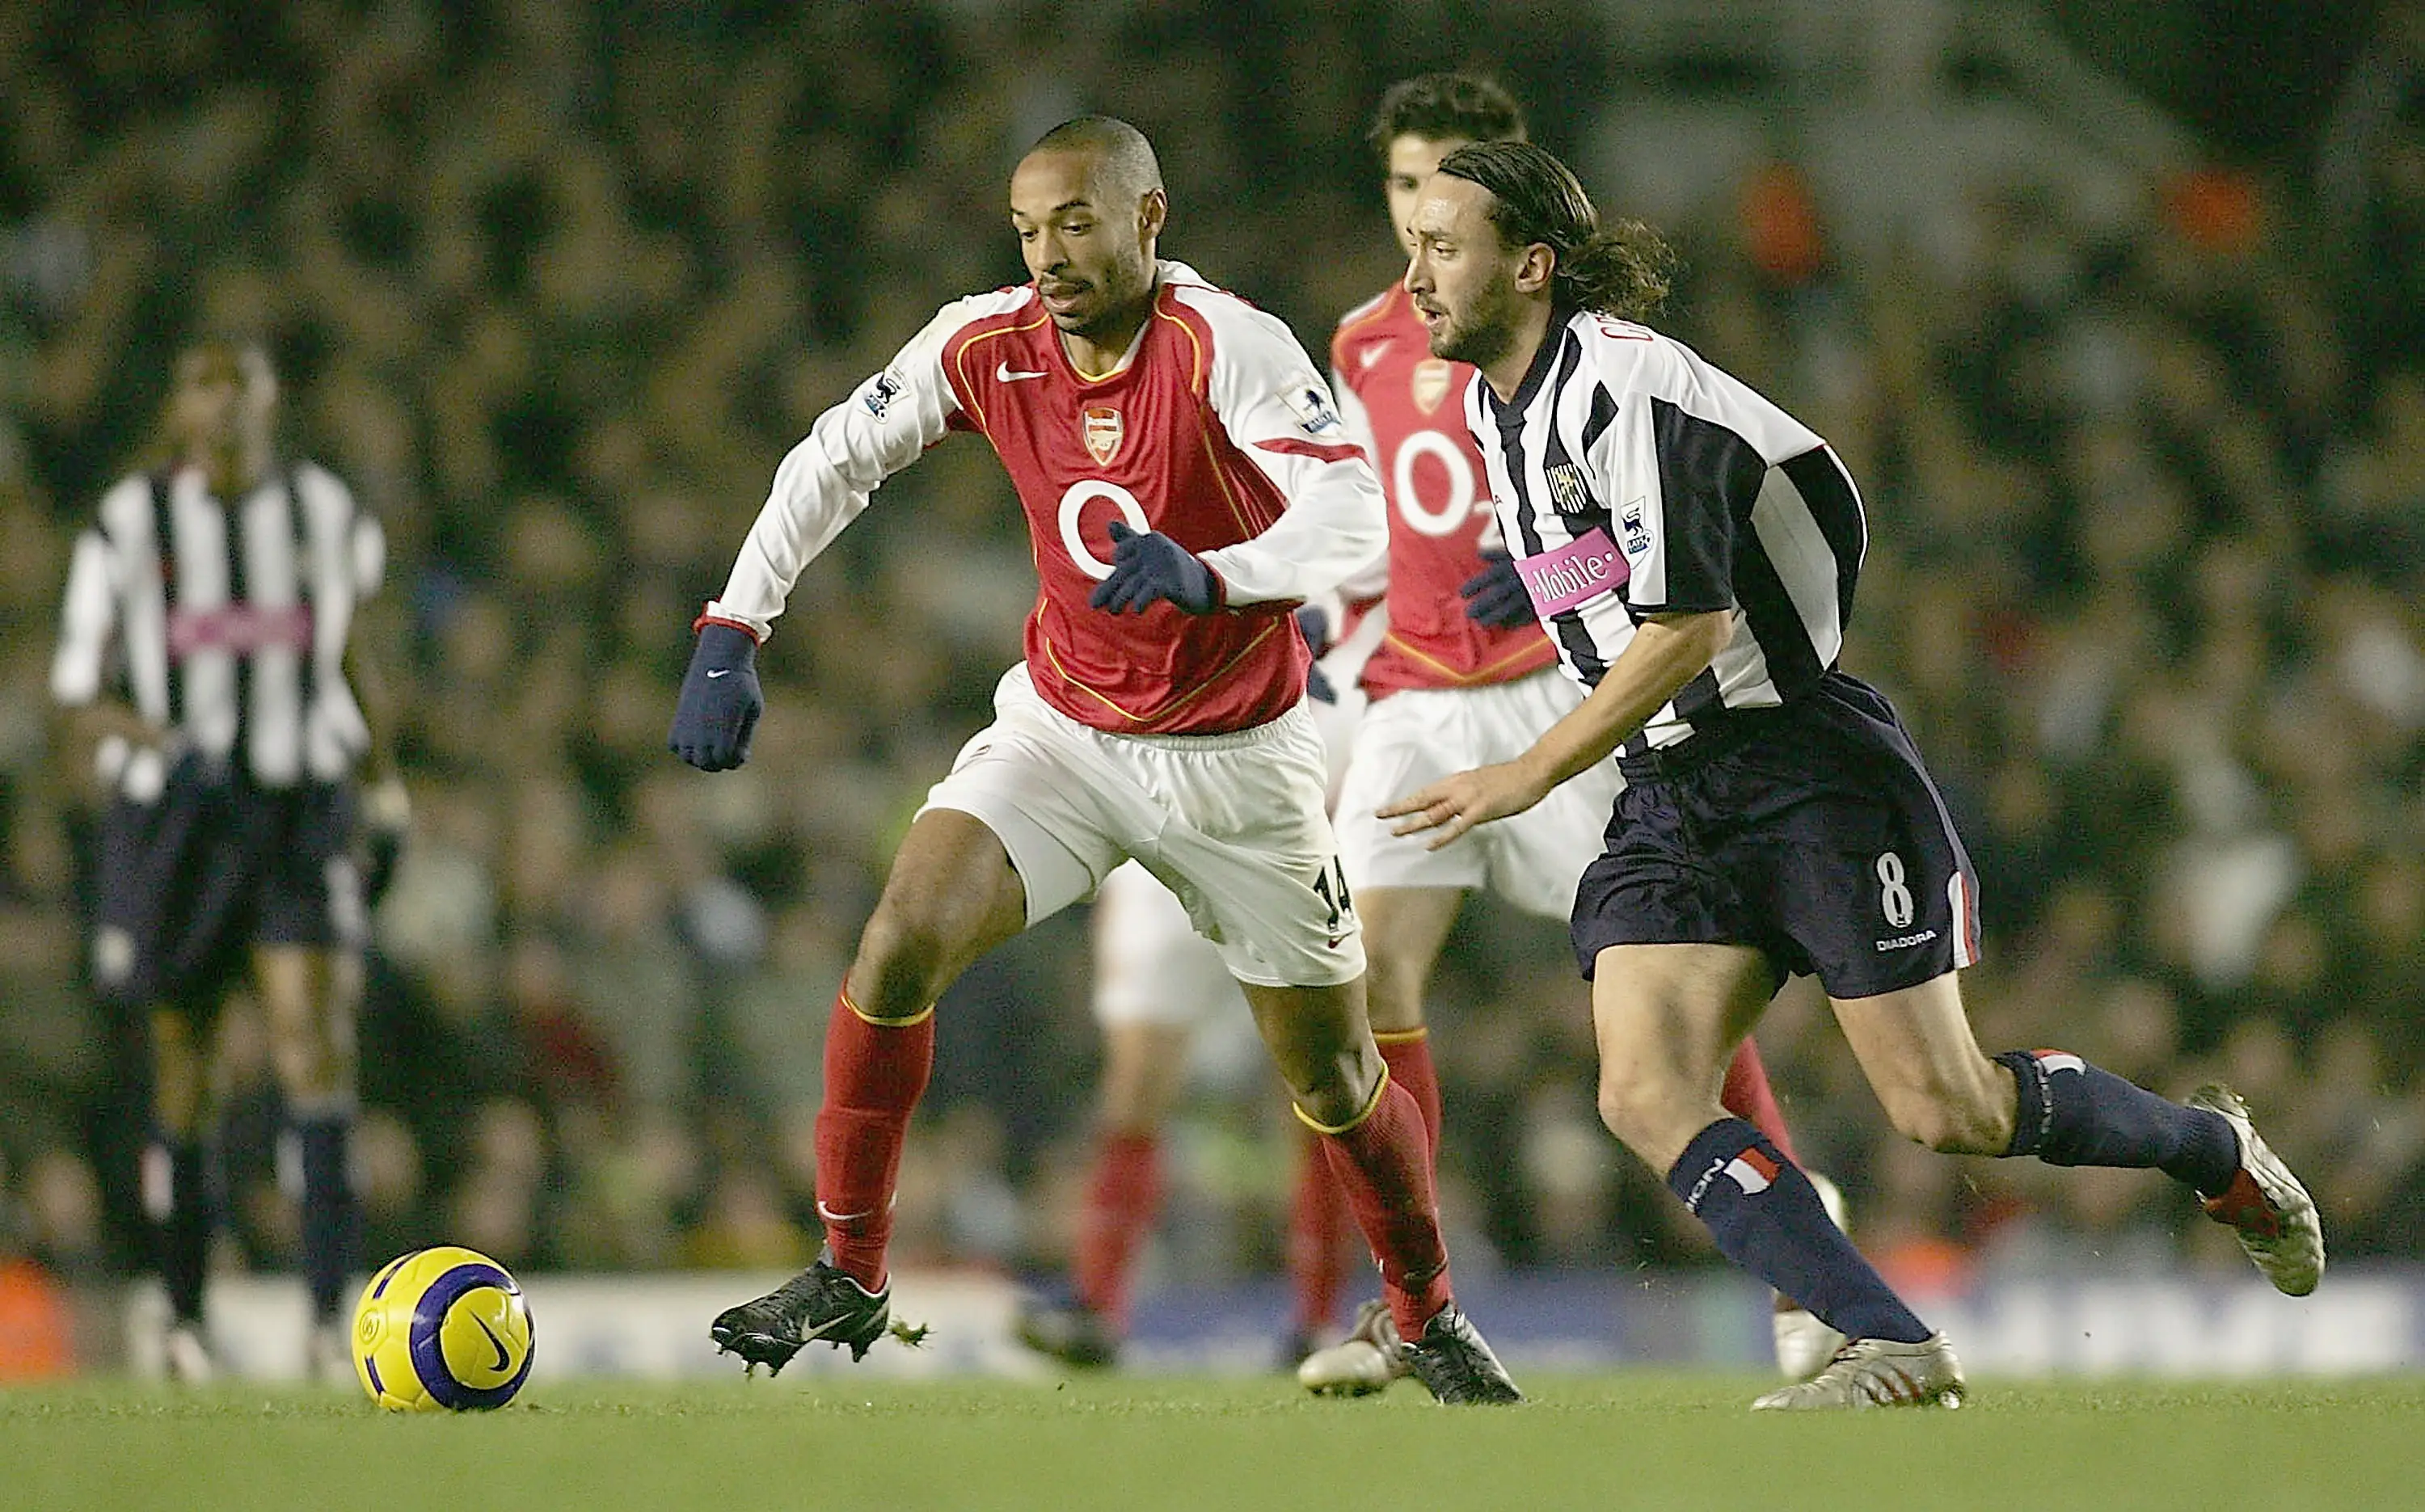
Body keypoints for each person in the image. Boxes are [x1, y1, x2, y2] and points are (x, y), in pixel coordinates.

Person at [1381, 141, 2325, 1410]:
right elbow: (1612, 592)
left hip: (1804, 768)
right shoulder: (1499, 410)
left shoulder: (1626, 388)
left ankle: (2215, 1150)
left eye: (1446, 245)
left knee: (1949, 1111)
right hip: (1672, 791)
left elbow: (1687, 628)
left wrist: (1526, 770)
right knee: (1643, 1084)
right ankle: (1889, 1336)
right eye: (1416, 243)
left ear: (1532, 265)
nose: (1417, 271)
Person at [1014, 75, 1846, 1396]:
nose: (1417, 221)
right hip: (1410, 701)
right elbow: (1348, 516)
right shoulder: (1349, 346)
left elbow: (1618, 523)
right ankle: (1412, 1303)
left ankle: (1809, 1271)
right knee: (1366, 987)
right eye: (1400, 189)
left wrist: (1559, 576)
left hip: (1548, 693)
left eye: (1438, 197)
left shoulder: (1545, 333)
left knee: (1663, 996)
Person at [670, 116, 1520, 1404]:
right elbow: (835, 453)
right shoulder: (984, 341)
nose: (1049, 254)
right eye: (1027, 228)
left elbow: (1357, 512)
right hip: (1064, 734)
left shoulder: (1224, 343)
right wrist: (734, 624)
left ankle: (1425, 1307)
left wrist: (1216, 573)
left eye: (1076, 221)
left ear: (1148, 217)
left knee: (1338, 1075)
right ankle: (850, 1266)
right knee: (900, 937)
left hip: (1239, 764)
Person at [49, 338, 409, 1384]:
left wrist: (385, 781)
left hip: (300, 807)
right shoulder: (129, 523)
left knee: (314, 1036)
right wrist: (161, 747)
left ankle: (327, 1316)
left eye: (238, 386)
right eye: (202, 386)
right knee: (187, 1068)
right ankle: (186, 1312)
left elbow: (352, 654)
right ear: (179, 403)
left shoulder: (326, 513)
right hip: (183, 826)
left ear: (268, 397)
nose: (221, 407)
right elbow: (80, 691)